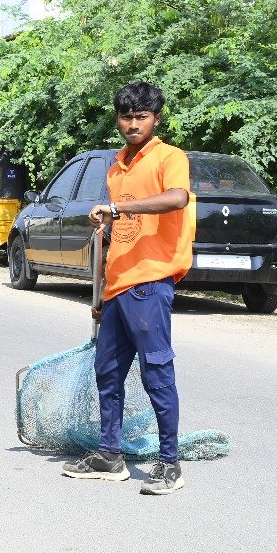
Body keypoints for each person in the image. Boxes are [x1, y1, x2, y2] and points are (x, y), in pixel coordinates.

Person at [63, 82, 195, 495]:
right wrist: (103, 293)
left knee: (157, 373)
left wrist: (118, 208)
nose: (133, 124)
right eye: (126, 117)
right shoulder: (116, 167)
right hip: (118, 290)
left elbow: (177, 198)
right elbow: (118, 234)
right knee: (108, 374)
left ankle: (169, 464)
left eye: (141, 117)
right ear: (118, 120)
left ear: (156, 119)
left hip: (150, 284)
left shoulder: (170, 157)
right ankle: (110, 455)